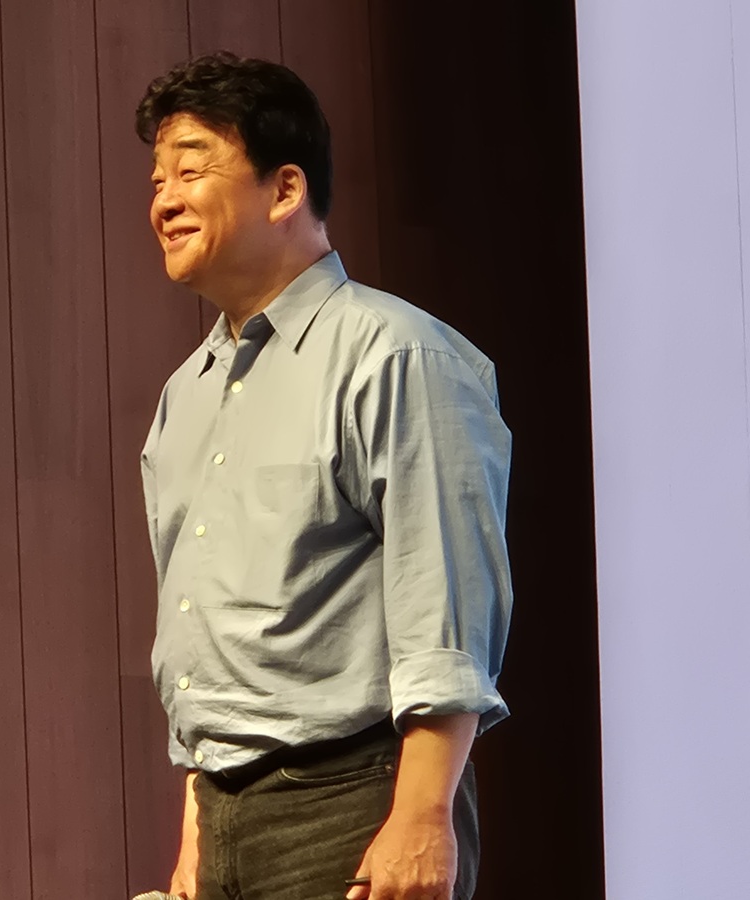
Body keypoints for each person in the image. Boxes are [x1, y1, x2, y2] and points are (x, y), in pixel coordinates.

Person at [135, 52, 513, 900]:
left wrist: (423, 816)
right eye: (157, 180)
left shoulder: (397, 354)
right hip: (223, 818)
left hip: (354, 803)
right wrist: (196, 835)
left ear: (284, 189)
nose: (163, 200)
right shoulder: (183, 397)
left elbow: (448, 602)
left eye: (191, 170)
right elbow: (205, 637)